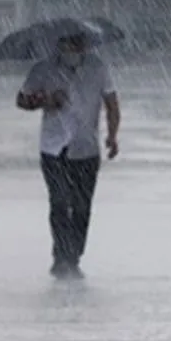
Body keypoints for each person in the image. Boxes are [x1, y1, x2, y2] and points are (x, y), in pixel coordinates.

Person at [16, 32, 120, 279]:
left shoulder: (98, 68)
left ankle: (74, 255)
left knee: (82, 206)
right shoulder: (43, 69)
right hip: (53, 147)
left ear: (85, 45)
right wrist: (45, 99)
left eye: (77, 43)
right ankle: (61, 256)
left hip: (86, 147)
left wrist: (112, 136)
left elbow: (112, 103)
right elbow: (22, 99)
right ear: (59, 44)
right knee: (60, 202)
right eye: (67, 43)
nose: (72, 49)